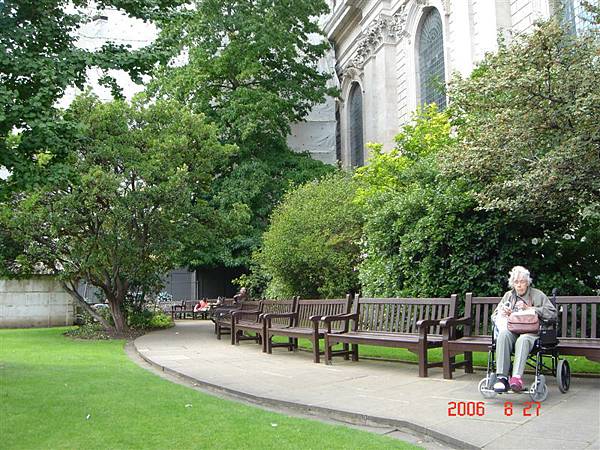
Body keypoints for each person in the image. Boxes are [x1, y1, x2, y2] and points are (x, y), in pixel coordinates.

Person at [491, 266, 557, 393]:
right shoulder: (508, 296)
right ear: (513, 284)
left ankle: (516, 378)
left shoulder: (537, 295)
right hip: (513, 330)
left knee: (523, 339)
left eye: (522, 282)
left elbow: (552, 314)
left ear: (527, 282)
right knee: (503, 335)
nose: (519, 285)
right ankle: (502, 378)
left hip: (532, 332)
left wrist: (531, 309)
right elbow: (494, 316)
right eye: (516, 282)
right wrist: (503, 313)